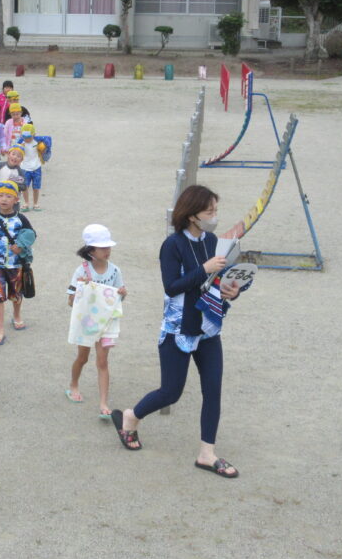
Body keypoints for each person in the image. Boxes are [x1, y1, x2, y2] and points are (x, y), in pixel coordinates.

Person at [111, 185, 248, 479]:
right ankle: (131, 416)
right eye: (209, 211)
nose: (214, 216)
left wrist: (232, 291)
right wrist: (204, 269)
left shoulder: (212, 240)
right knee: (171, 392)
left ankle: (207, 454)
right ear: (191, 215)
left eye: (216, 210)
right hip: (179, 329)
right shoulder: (172, 245)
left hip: (208, 327)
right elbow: (172, 286)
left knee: (213, 390)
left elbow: (217, 280)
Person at [66, 224, 126, 419]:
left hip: (106, 321)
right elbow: (71, 301)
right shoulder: (81, 272)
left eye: (108, 247)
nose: (107, 251)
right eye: (102, 248)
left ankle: (103, 404)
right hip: (87, 322)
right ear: (90, 250)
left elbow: (118, 298)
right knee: (82, 358)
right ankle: (73, 384)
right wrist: (80, 289)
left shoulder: (115, 271)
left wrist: (122, 293)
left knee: (102, 361)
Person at [0, 181, 35, 345]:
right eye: (0, 195)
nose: (4, 199)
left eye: (8, 196)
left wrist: (21, 245)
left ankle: (16, 315)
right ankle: (0, 329)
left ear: (16, 199)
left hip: (15, 264)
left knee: (16, 294)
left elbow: (31, 234)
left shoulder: (21, 219)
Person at [15, 124, 50, 212]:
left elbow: (46, 145)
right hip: (24, 168)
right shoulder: (20, 143)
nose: (27, 139)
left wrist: (44, 149)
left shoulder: (38, 141)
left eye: (29, 137)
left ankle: (35, 203)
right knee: (25, 187)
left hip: (36, 167)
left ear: (34, 135)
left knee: (36, 187)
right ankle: (26, 203)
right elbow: (16, 152)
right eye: (24, 137)